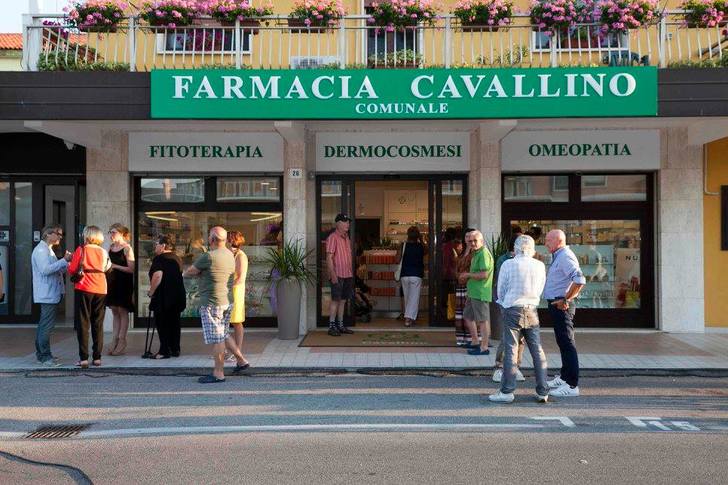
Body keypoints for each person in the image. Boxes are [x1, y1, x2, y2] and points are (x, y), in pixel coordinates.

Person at [183, 226, 248, 383]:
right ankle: (241, 360)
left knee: (218, 338)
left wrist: (190, 272)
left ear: (211, 239)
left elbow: (190, 271)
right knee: (223, 333)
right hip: (227, 301)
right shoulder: (230, 254)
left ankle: (218, 373)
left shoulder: (208, 256)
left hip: (212, 303)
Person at [489, 235, 549, 404]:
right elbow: (540, 288)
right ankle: (542, 391)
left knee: (511, 350)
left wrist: (503, 303)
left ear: (515, 249)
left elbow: (501, 288)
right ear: (533, 250)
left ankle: (507, 391)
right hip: (531, 309)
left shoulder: (508, 264)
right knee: (537, 350)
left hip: (512, 308)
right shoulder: (539, 265)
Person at [543, 229, 586, 397]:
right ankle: (564, 377)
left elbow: (579, 279)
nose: (545, 243)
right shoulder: (559, 255)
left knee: (567, 343)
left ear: (558, 241)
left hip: (562, 305)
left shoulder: (565, 256)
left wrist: (566, 299)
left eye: (548, 240)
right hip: (557, 304)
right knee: (563, 342)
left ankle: (572, 385)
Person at [69, 225, 112, 368]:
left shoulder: (81, 250)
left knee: (83, 323)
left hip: (84, 287)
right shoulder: (104, 252)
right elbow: (108, 268)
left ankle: (83, 359)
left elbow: (72, 269)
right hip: (101, 288)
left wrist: (71, 259)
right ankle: (97, 358)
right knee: (97, 324)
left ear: (87, 236)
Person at [31, 224, 72, 367]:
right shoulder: (41, 250)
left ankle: (42, 354)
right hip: (46, 294)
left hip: (51, 292)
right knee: (46, 326)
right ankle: (44, 357)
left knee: (45, 325)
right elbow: (45, 270)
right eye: (58, 234)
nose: (60, 237)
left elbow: (55, 269)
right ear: (48, 234)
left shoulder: (48, 250)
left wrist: (66, 264)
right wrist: (64, 261)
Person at [492, 232, 526, 383]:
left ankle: (516, 366)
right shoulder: (503, 259)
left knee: (521, 337)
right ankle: (500, 367)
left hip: (524, 302)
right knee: (508, 335)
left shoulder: (529, 259)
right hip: (507, 302)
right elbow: (501, 282)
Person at [147, 235, 186, 359]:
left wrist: (151, 291)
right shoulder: (177, 258)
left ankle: (164, 351)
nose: (155, 246)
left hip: (163, 297)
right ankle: (175, 349)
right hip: (177, 296)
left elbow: (158, 275)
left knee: (162, 323)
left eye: (157, 244)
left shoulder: (159, 258)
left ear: (163, 245)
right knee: (174, 323)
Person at [462, 230, 494, 356]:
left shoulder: (483, 254)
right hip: (473, 292)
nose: (473, 243)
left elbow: (484, 274)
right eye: (470, 241)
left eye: (475, 240)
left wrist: (467, 275)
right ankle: (475, 342)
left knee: (483, 320)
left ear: (482, 241)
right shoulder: (476, 253)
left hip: (480, 292)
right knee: (468, 316)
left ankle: (484, 347)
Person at [105, 223, 135, 356]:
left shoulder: (127, 248)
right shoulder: (110, 248)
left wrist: (114, 266)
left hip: (124, 282)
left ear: (122, 234)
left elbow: (131, 269)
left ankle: (122, 339)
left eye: (114, 232)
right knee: (114, 310)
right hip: (112, 282)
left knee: (123, 310)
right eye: (110, 232)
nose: (111, 235)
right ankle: (114, 339)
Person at [325, 213, 355, 336]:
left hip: (347, 274)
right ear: (338, 224)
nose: (347, 224)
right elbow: (329, 257)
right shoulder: (333, 237)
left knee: (343, 301)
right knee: (335, 300)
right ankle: (332, 326)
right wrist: (332, 274)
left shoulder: (347, 238)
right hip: (337, 274)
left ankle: (341, 325)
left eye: (348, 222)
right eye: (345, 221)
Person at [226, 230, 250, 367]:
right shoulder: (228, 254)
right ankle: (223, 350)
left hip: (235, 292)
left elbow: (241, 277)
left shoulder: (240, 256)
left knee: (236, 321)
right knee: (224, 322)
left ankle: (238, 350)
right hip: (226, 291)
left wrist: (228, 286)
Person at [398, 226, 425, 327]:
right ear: (418, 235)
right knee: (414, 298)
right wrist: (421, 239)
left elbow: (397, 259)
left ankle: (410, 317)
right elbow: (427, 251)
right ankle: (408, 318)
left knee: (407, 297)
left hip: (404, 274)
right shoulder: (421, 246)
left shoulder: (403, 245)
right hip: (416, 274)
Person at [455, 229, 475, 347]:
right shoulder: (462, 252)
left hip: (471, 286)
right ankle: (461, 338)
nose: (468, 239)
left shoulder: (477, 253)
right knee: (460, 313)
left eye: (471, 237)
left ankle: (472, 339)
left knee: (470, 313)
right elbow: (458, 267)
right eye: (467, 237)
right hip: (461, 285)